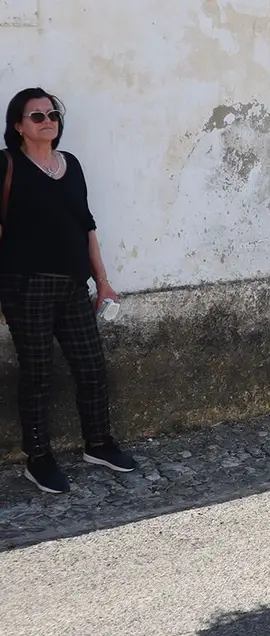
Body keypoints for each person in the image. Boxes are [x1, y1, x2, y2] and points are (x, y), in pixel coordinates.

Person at [1, 87, 138, 494]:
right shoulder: (7, 165)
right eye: (37, 116)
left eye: (52, 114)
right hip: (26, 287)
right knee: (38, 375)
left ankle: (98, 444)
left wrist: (104, 282)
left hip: (74, 286)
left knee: (92, 368)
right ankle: (38, 458)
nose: (48, 121)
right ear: (18, 126)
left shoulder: (71, 165)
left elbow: (86, 226)